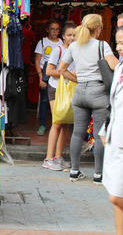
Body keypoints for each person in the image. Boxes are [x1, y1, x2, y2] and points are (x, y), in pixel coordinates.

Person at [58, 14, 119, 184]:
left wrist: (78, 79)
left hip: (80, 92)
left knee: (77, 133)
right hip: (99, 92)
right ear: (98, 28)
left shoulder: (74, 46)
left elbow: (61, 69)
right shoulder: (102, 45)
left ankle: (74, 171)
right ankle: (98, 175)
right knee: (99, 134)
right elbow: (115, 66)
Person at [100, 22, 123, 235]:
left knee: (117, 196)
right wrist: (105, 131)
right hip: (115, 137)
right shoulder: (122, 67)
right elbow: (114, 102)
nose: (119, 48)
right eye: (117, 43)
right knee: (117, 195)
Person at [42, 21, 76, 171]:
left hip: (70, 89)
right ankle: (48, 158)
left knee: (66, 123)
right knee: (57, 122)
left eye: (75, 35)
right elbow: (49, 71)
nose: (72, 38)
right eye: (69, 35)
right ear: (63, 36)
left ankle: (59, 156)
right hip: (56, 88)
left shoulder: (78, 51)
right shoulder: (58, 50)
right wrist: (67, 74)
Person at [34, 19, 63, 135]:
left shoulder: (62, 43)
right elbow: (37, 60)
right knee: (45, 100)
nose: (55, 31)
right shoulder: (42, 42)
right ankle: (42, 125)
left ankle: (56, 126)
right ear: (47, 30)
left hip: (58, 74)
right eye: (52, 29)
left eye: (57, 29)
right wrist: (41, 77)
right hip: (45, 74)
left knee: (58, 101)